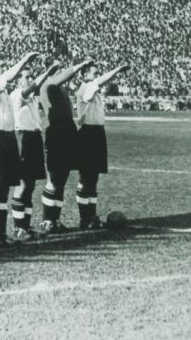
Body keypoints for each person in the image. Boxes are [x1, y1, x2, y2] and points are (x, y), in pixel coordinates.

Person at [0, 51, 39, 248]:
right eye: (1, 66)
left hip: (8, 137)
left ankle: (1, 233)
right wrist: (23, 61)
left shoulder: (2, 90)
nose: (4, 68)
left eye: (5, 65)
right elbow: (8, 77)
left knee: (4, 189)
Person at [39, 57, 92, 233]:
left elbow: (64, 79)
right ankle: (47, 220)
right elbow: (61, 77)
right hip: (55, 133)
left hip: (67, 132)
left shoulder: (60, 87)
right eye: (57, 68)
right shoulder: (48, 85)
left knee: (62, 178)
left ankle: (55, 220)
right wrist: (79, 66)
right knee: (53, 178)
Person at [75, 62, 129, 227]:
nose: (96, 76)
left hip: (97, 134)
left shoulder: (93, 90)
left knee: (93, 178)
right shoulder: (86, 88)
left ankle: (92, 216)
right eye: (93, 73)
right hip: (88, 134)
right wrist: (117, 69)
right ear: (84, 75)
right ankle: (85, 218)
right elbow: (99, 82)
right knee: (86, 177)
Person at [9, 63, 58, 240]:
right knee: (21, 185)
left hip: (34, 137)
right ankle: (18, 228)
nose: (29, 79)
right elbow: (31, 89)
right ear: (17, 80)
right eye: (26, 77)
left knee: (30, 185)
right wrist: (46, 74)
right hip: (22, 138)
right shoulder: (16, 95)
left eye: (31, 76)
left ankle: (26, 226)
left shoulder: (31, 97)